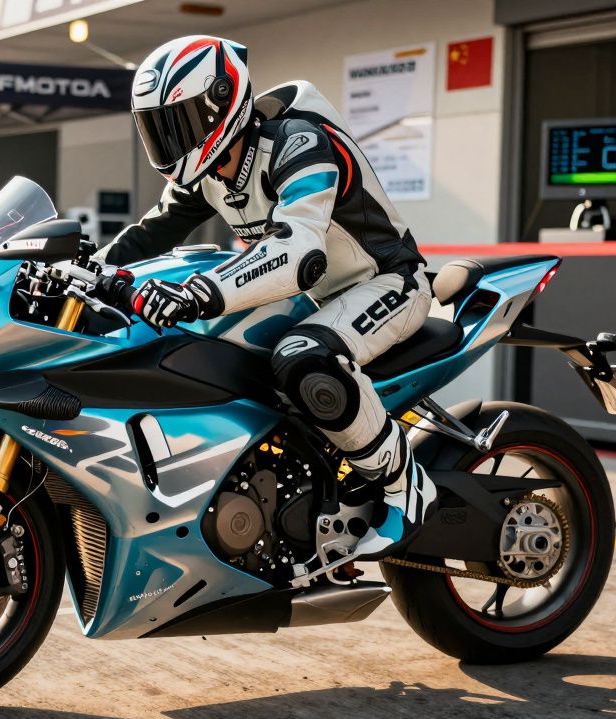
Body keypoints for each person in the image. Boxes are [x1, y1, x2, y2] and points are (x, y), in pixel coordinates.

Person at [103, 36, 434, 561]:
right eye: (158, 127)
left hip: (385, 282)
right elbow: (148, 235)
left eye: (180, 122)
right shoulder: (206, 173)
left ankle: (403, 481)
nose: (170, 140)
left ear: (222, 101)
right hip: (314, 297)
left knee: (303, 359)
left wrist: (198, 293)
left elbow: (299, 250)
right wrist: (86, 271)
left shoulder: (299, 142)